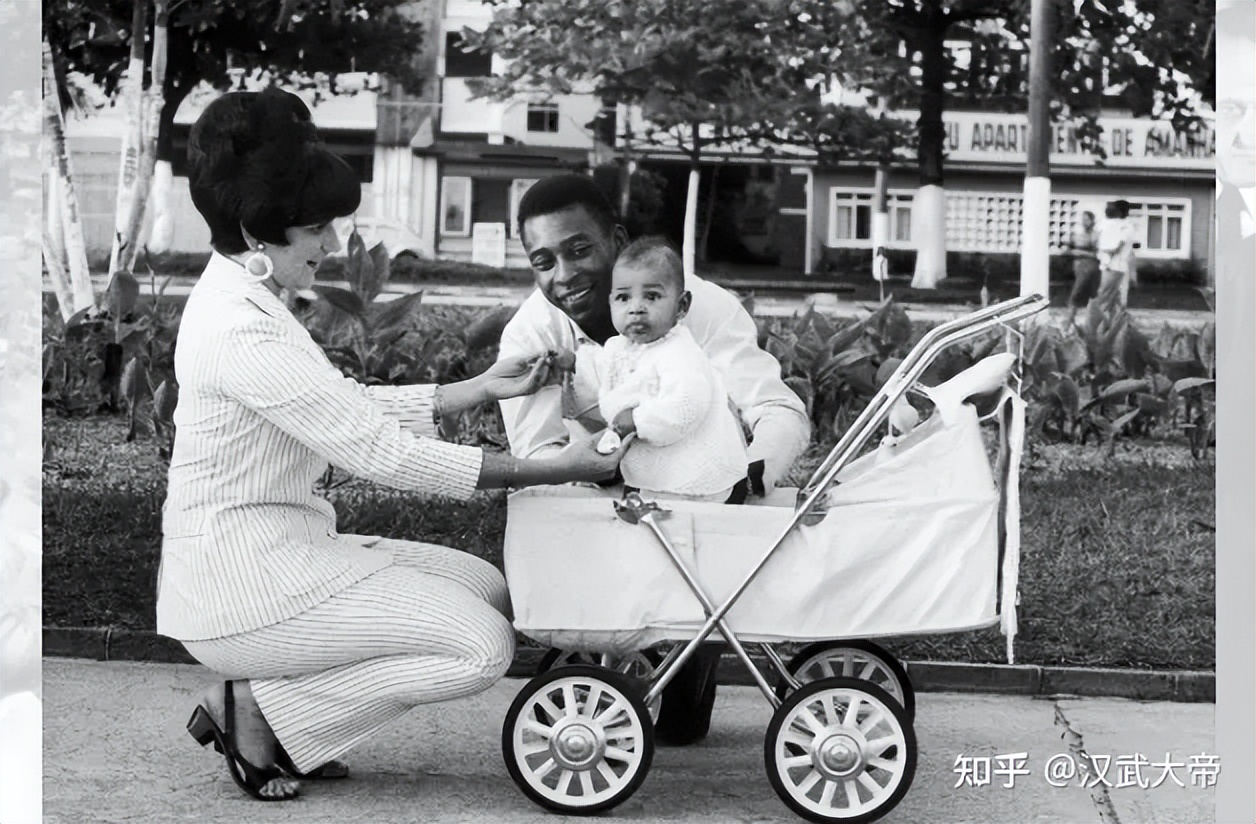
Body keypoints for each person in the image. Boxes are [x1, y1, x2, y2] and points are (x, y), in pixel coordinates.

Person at [160, 87, 628, 802]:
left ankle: (277, 707)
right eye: (317, 229)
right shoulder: (240, 328)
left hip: (288, 547)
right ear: (262, 232)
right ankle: (260, 711)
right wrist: (545, 468)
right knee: (480, 647)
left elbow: (331, 407)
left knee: (489, 589)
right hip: (244, 588)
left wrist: (470, 389)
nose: (332, 245)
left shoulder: (243, 299)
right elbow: (378, 454)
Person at [496, 174, 810, 745]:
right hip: (593, 494)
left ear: (616, 238)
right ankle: (593, 660)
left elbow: (775, 408)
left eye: (580, 249)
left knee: (683, 731)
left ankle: (691, 651)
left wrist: (752, 482)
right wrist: (606, 489)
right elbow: (537, 455)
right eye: (544, 261)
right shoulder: (531, 333)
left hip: (701, 502)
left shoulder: (701, 305)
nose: (564, 275)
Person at [592, 237, 750, 503]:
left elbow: (686, 405)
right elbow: (602, 374)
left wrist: (638, 420)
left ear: (682, 306)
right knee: (641, 505)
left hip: (697, 474)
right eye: (623, 298)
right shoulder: (620, 347)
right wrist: (570, 364)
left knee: (682, 520)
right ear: (610, 302)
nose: (636, 308)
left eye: (651, 296)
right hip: (654, 464)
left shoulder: (680, 353)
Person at [1064, 210, 1100, 328]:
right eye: (1083, 219)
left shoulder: (1096, 236)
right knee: (1083, 294)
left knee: (1079, 294)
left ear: (1092, 221)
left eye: (1087, 220)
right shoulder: (1077, 236)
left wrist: (1080, 252)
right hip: (1078, 267)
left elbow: (1097, 254)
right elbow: (1068, 250)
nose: (1084, 222)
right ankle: (1074, 322)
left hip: (1090, 267)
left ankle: (1068, 323)